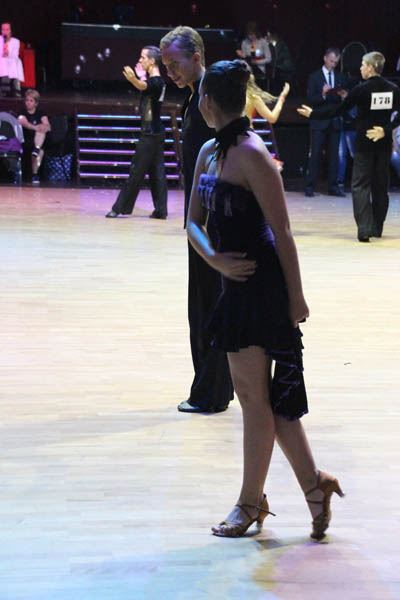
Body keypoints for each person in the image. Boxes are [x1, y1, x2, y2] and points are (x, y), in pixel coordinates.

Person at [187, 59, 344, 538]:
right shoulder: (209, 152)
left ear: (207, 102)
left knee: (257, 402)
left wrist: (297, 298)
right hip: (233, 287)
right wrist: (215, 260)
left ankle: (250, 502)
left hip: (264, 288)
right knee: (267, 405)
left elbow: (284, 232)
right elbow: (192, 223)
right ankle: (314, 487)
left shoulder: (253, 154)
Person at [160, 26, 233, 414]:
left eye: (175, 63)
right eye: (165, 65)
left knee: (209, 306)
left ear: (197, 58)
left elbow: (228, 156)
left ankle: (211, 393)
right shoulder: (195, 97)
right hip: (202, 218)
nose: (169, 71)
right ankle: (217, 388)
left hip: (212, 221)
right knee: (204, 305)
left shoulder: (210, 99)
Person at [298, 52, 400, 242]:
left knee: (360, 185)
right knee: (380, 186)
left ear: (370, 67)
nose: (360, 68)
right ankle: (377, 227)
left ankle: (364, 229)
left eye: (362, 64)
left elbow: (338, 110)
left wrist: (313, 114)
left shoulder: (361, 90)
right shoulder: (393, 88)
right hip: (383, 145)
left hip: (364, 145)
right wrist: (386, 130)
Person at [105, 46, 168, 220]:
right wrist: (140, 77)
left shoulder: (157, 82)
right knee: (157, 172)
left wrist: (133, 79)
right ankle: (161, 210)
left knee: (136, 171)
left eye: (143, 57)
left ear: (152, 61)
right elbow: (146, 88)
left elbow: (143, 86)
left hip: (150, 134)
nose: (140, 60)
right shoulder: (157, 81)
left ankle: (119, 208)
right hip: (156, 132)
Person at [304, 48, 347, 198]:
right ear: (325, 58)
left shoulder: (340, 77)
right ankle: (309, 186)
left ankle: (333, 187)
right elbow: (310, 99)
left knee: (334, 156)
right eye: (331, 61)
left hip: (334, 121)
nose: (333, 64)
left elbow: (341, 101)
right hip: (319, 121)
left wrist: (344, 97)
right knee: (315, 154)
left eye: (336, 62)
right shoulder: (314, 77)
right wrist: (322, 94)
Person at [17, 89, 51, 184]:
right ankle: (35, 174)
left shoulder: (41, 112)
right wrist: (36, 127)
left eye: (31, 101)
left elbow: (48, 126)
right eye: (27, 100)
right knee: (39, 150)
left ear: (36, 103)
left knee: (41, 133)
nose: (28, 102)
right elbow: (23, 122)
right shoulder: (22, 112)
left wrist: (43, 127)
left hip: (38, 140)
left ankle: (36, 150)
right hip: (26, 140)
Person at [237, 22, 271, 91]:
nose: (250, 36)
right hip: (248, 67)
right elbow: (244, 58)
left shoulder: (263, 42)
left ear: (256, 33)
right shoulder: (245, 42)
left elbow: (269, 59)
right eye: (249, 34)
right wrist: (243, 56)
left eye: (252, 34)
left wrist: (257, 62)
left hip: (259, 69)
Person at [267, 28, 295, 96]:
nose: (268, 37)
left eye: (269, 35)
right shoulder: (270, 45)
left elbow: (279, 58)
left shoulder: (281, 45)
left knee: (275, 72)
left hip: (284, 67)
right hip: (277, 66)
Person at [0, 22, 24, 97]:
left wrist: (8, 53)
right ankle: (4, 90)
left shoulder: (16, 41)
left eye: (7, 29)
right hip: (1, 60)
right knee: (3, 62)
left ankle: (16, 89)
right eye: (3, 29)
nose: (5, 31)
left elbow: (15, 55)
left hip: (11, 60)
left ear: (10, 31)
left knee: (13, 62)